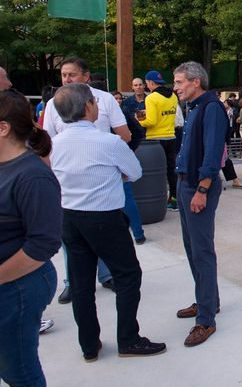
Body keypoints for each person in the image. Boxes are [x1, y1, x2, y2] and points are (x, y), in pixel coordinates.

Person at [50, 83, 166, 360]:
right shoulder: (108, 142)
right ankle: (128, 338)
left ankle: (89, 345)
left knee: (81, 283)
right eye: (94, 102)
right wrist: (115, 175)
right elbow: (135, 172)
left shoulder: (54, 144)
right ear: (87, 106)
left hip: (69, 217)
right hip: (104, 216)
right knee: (128, 275)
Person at [43, 57, 126, 305]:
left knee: (103, 233)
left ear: (86, 76)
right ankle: (73, 281)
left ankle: (107, 275)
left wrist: (113, 162)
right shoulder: (53, 104)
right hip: (68, 182)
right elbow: (47, 142)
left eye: (72, 74)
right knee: (72, 237)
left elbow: (123, 134)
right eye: (63, 75)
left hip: (101, 182)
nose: (66, 79)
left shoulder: (105, 100)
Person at [0, 90, 62, 385]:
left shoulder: (32, 176)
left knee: (19, 370)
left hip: (18, 287)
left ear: (3, 128)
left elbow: (43, 243)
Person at [173, 62, 228, 347]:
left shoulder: (211, 108)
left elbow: (213, 150)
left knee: (201, 251)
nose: (176, 87)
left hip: (197, 186)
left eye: (180, 82)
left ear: (196, 82)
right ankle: (207, 300)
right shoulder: (194, 107)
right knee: (192, 247)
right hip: (185, 183)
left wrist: (202, 188)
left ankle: (206, 319)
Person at [139, 70, 180, 209]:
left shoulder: (151, 98)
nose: (146, 86)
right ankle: (174, 199)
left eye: (146, 83)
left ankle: (158, 200)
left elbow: (151, 121)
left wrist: (137, 121)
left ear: (151, 82)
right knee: (171, 170)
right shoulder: (173, 96)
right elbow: (166, 114)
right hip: (171, 136)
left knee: (157, 172)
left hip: (155, 139)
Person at [112, 90, 147, 245]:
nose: (117, 101)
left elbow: (138, 132)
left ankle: (136, 233)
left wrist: (127, 149)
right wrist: (127, 150)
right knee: (127, 196)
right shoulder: (119, 111)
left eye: (119, 98)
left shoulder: (118, 112)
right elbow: (138, 132)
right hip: (118, 156)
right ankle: (137, 234)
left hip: (111, 158)